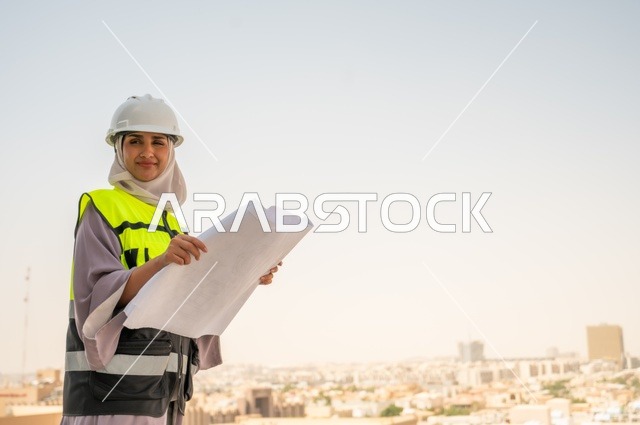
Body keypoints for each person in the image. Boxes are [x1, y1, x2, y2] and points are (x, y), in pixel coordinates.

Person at [61, 94, 280, 425]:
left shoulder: (172, 221)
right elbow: (97, 294)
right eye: (135, 141)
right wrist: (161, 263)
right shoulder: (100, 206)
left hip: (167, 393)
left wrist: (248, 272)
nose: (148, 152)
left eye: (158, 142)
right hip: (112, 397)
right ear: (119, 149)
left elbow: (194, 295)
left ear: (171, 150)